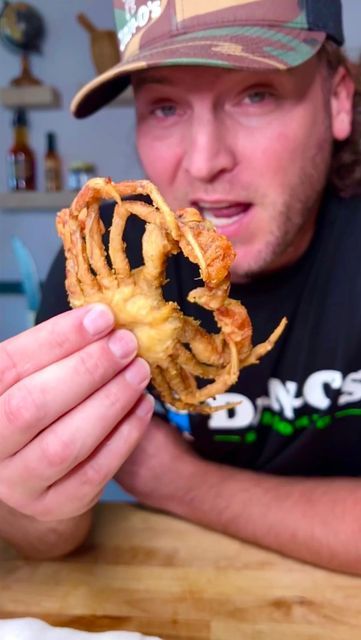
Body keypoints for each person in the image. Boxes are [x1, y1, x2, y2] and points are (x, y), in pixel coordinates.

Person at [1, 0, 361, 574]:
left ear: (339, 99)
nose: (204, 161)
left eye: (256, 95)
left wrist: (178, 482)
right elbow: (50, 542)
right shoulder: (103, 259)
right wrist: (29, 483)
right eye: (165, 107)